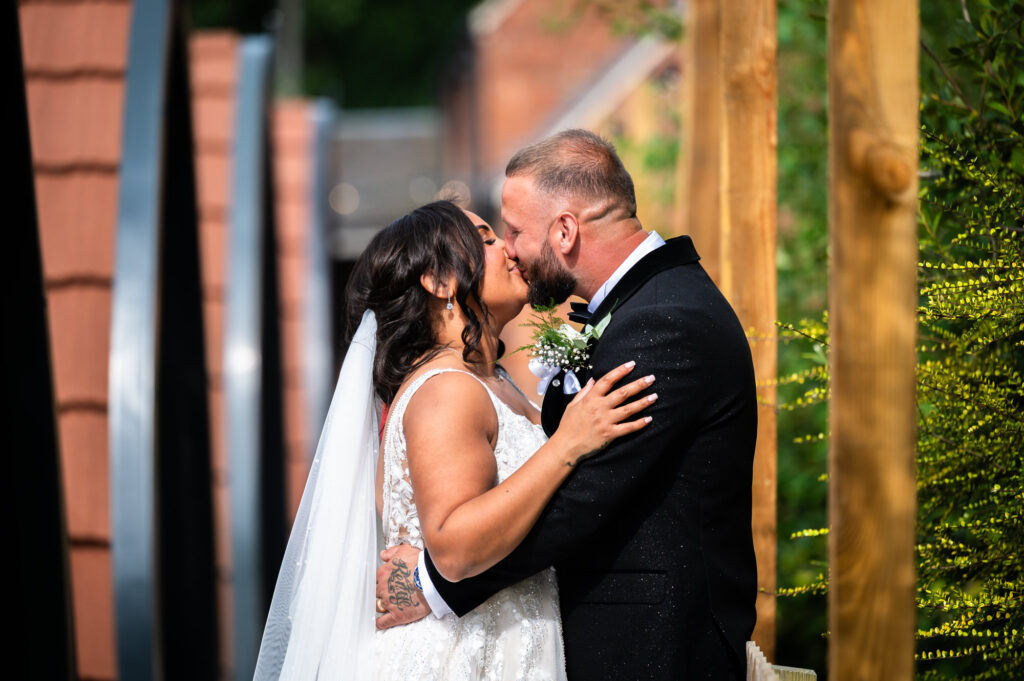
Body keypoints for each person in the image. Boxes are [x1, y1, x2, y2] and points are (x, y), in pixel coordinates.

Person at [376, 130, 759, 680]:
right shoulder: (642, 312)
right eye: (495, 237)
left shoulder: (663, 323)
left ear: (565, 229)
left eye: (513, 232)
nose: (511, 250)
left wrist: (432, 584)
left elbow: (584, 496)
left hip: (654, 648)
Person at [252, 200, 653, 680]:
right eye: (485, 240)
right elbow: (456, 547)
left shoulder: (491, 381)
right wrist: (569, 443)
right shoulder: (447, 389)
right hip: (462, 656)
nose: (507, 248)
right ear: (440, 282)